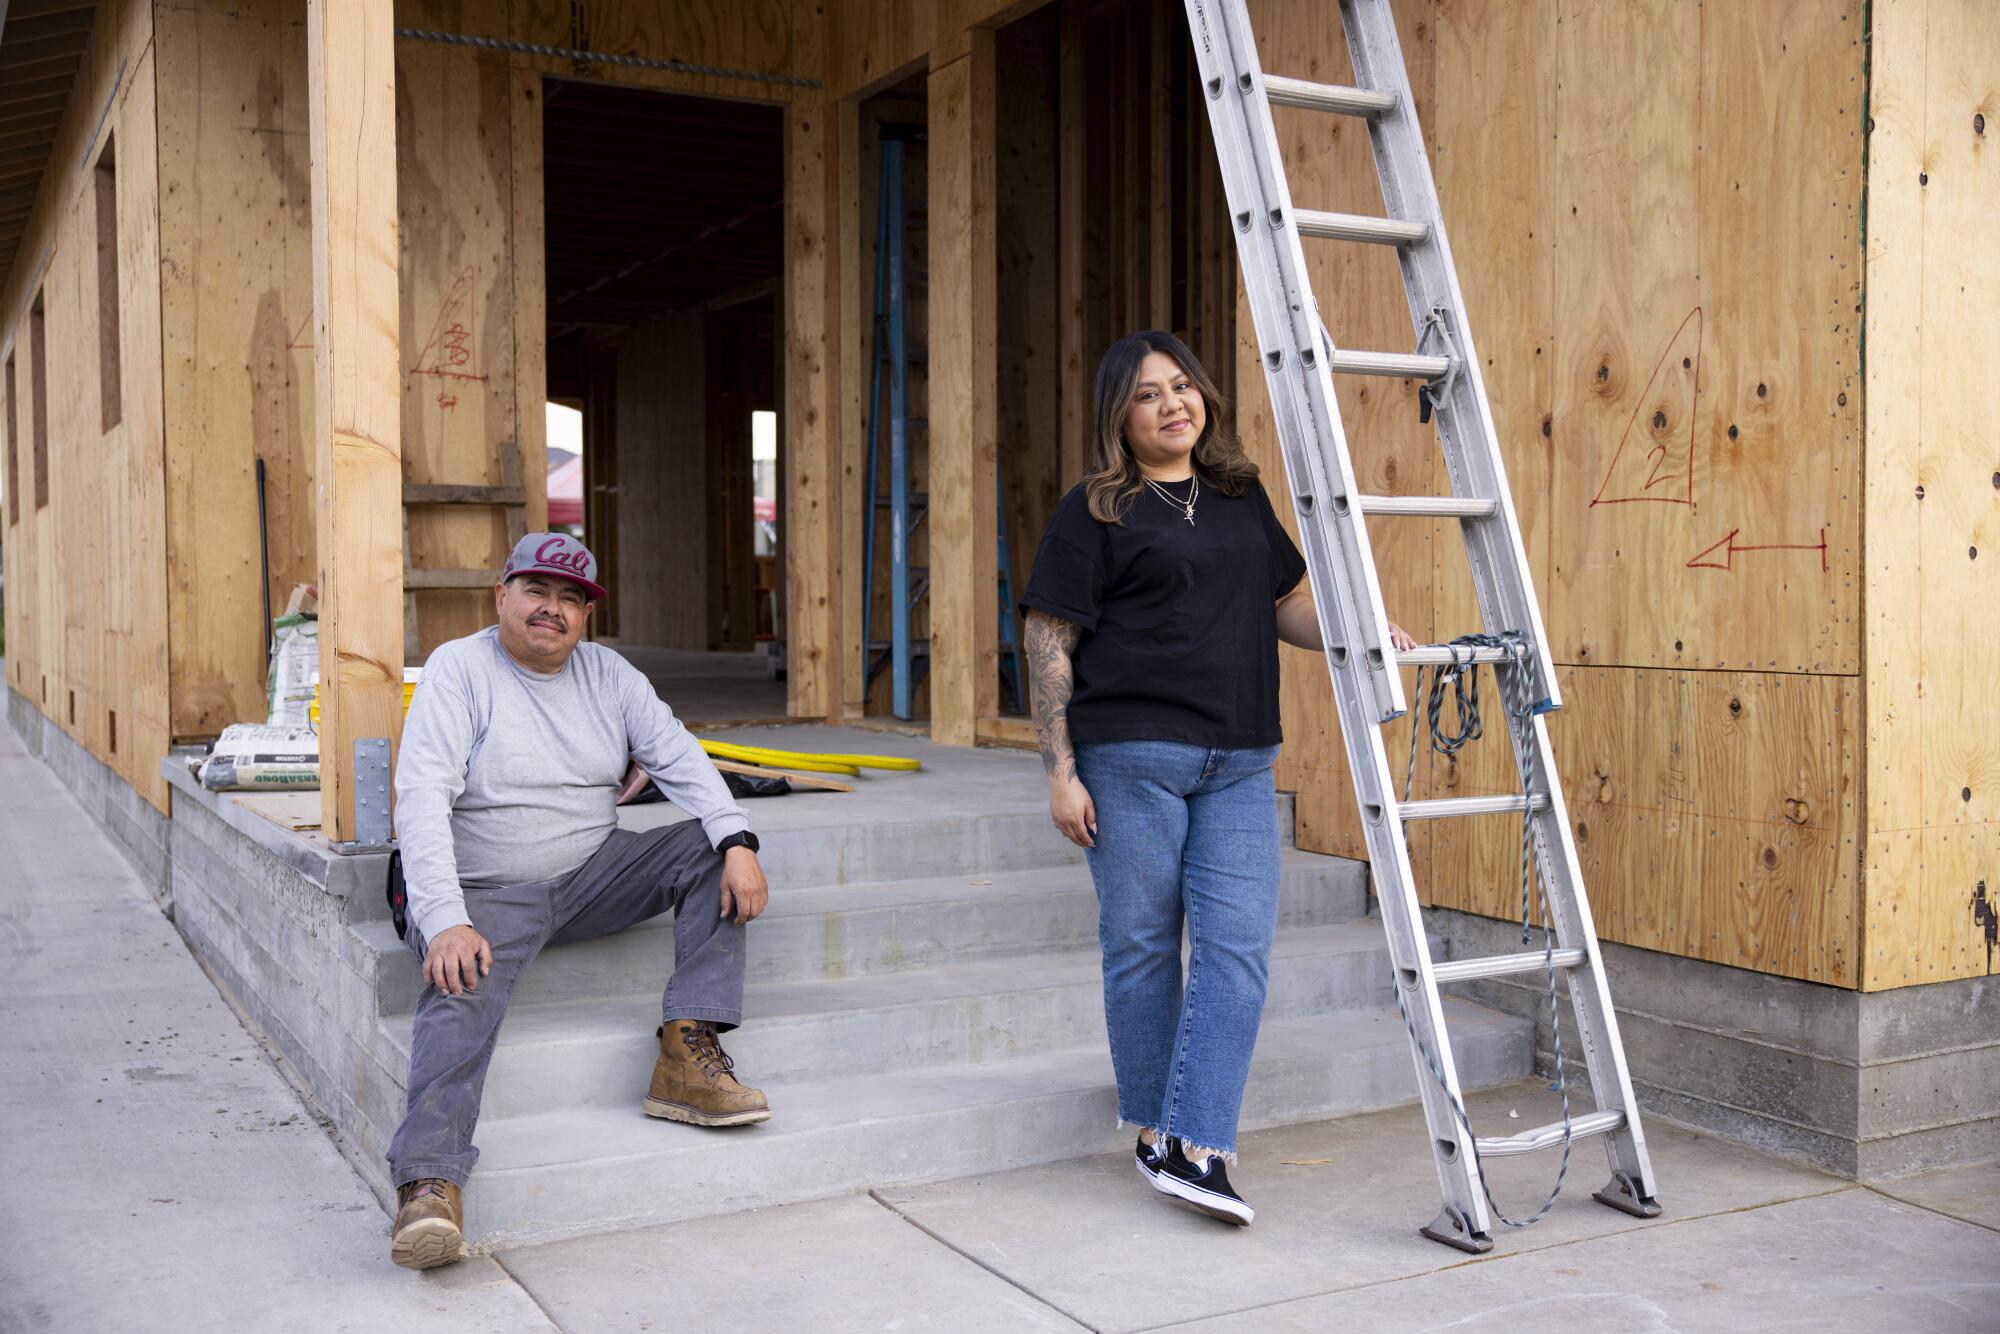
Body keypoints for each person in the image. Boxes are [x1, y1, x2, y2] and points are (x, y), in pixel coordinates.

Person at [1021, 331, 1414, 1227]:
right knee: (1144, 945)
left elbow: (1283, 606)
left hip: (1239, 758)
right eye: (1148, 395)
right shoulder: (1095, 510)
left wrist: (1359, 627)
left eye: (1182, 386)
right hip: (1131, 757)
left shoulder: (1239, 496)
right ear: (1119, 417)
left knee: (1237, 949)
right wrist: (1059, 771)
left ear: (1204, 397)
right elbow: (1050, 638)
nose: (1172, 404)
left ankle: (1197, 1141)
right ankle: (1164, 1133)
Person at [385, 533, 773, 1270]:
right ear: (502, 596)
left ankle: (685, 1056)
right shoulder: (458, 670)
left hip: (593, 870)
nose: (552, 610)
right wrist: (444, 919)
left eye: (571, 599)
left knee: (707, 848)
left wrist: (739, 840)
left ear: (586, 615)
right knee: (458, 985)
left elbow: (680, 757)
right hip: (488, 888)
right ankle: (428, 1185)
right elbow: (421, 798)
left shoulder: (611, 676)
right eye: (537, 591)